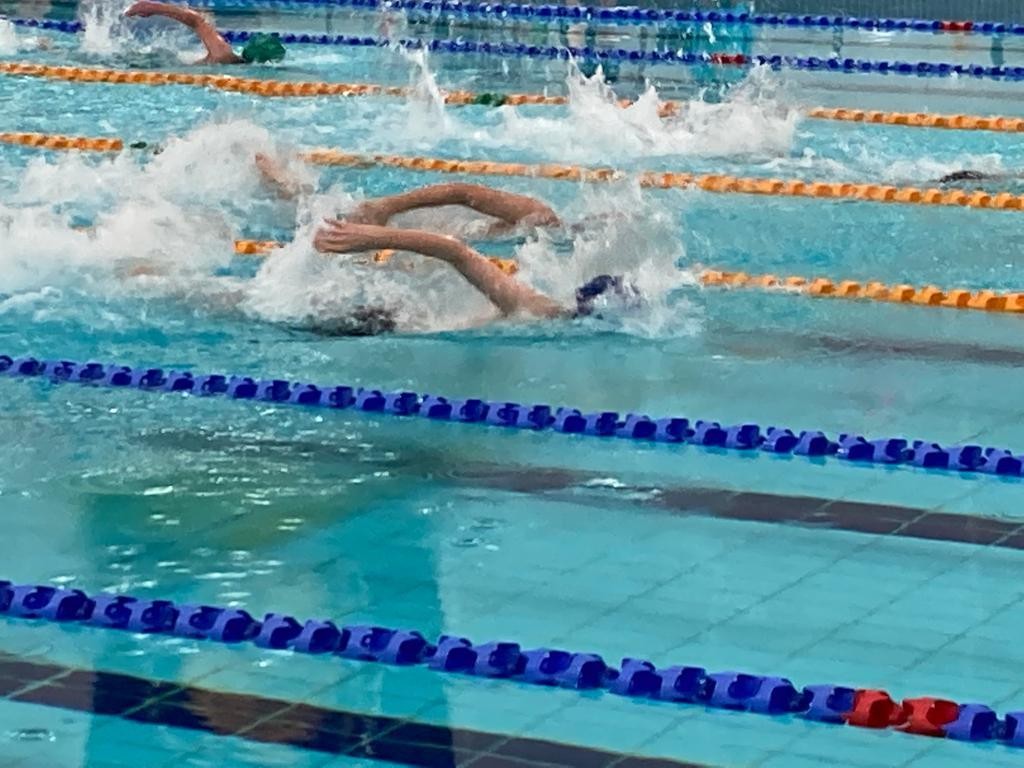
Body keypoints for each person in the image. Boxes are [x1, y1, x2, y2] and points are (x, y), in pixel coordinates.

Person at [313, 218, 636, 323]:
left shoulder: (542, 310)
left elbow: (455, 251)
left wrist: (376, 236)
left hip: (382, 328)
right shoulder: (544, 315)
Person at [123, 0, 285, 65]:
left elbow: (196, 20)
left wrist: (153, 8)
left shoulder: (223, 52)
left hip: (160, 66)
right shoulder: (231, 61)